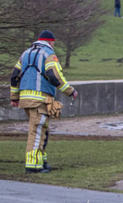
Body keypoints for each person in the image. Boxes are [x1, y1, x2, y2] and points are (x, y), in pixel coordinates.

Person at [9, 30, 78, 174]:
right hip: (40, 100)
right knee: (36, 131)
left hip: (26, 100)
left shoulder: (25, 53)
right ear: (51, 42)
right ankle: (33, 166)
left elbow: (15, 76)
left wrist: (14, 97)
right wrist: (70, 91)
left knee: (42, 130)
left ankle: (42, 161)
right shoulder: (48, 54)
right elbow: (54, 76)